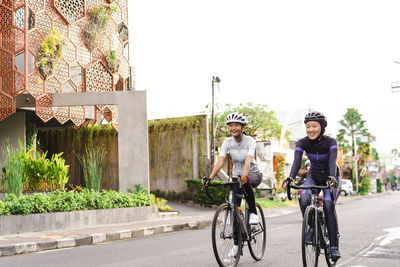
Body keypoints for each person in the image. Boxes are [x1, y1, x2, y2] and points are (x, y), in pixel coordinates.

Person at [283, 111, 342, 261]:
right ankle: (312, 228)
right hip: (314, 175)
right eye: (308, 127)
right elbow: (296, 162)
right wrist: (290, 177)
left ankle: (333, 246)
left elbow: (332, 161)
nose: (311, 130)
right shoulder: (302, 143)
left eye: (314, 126)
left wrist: (332, 178)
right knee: (303, 198)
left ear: (322, 127)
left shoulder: (331, 142)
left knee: (328, 204)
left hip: (332, 175)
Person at [203, 112, 262, 257]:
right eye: (230, 126)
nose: (233, 128)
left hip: (253, 174)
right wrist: (210, 178)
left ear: (242, 127)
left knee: (246, 180)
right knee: (234, 209)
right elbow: (220, 161)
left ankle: (253, 213)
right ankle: (236, 246)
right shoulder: (227, 143)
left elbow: (248, 160)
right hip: (236, 177)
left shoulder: (250, 141)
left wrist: (244, 176)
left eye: (236, 125)